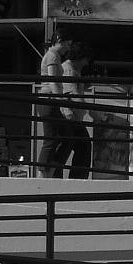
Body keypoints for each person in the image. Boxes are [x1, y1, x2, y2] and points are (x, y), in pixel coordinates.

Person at [38, 35, 92, 179]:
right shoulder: (66, 67)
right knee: (76, 144)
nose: (87, 63)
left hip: (65, 110)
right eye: (86, 59)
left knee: (64, 142)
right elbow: (67, 90)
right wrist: (90, 113)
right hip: (68, 113)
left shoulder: (70, 67)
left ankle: (54, 174)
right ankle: (56, 174)